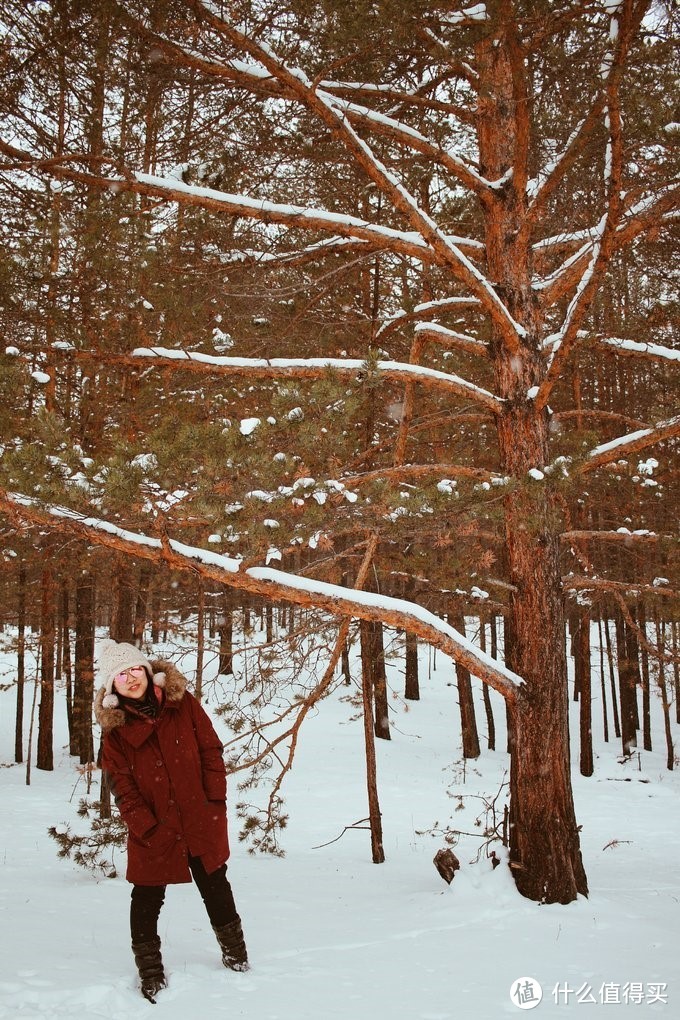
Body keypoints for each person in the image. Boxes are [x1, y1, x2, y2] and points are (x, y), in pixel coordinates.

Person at [94, 638, 248, 1003]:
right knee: (146, 896)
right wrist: (145, 826)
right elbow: (122, 787)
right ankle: (150, 973)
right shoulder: (114, 732)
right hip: (154, 827)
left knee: (215, 884)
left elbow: (211, 749)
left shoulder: (182, 704)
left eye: (135, 670)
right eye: (121, 676)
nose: (131, 679)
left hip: (198, 815)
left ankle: (237, 956)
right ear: (112, 686)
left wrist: (215, 800)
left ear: (147, 671)